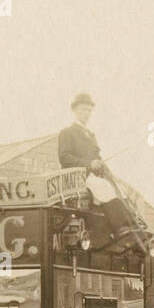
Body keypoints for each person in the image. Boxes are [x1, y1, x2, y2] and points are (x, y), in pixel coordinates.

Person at [57, 93, 140, 242]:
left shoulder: (90, 135)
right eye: (83, 110)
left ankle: (132, 223)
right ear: (75, 111)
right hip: (76, 176)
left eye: (89, 110)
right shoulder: (67, 133)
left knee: (120, 188)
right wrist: (89, 164)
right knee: (103, 187)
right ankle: (120, 227)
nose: (86, 114)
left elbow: (97, 157)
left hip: (93, 175)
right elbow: (64, 158)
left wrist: (105, 168)